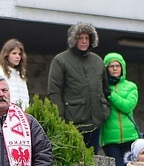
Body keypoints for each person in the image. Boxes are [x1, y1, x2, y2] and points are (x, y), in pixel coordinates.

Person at [47, 22, 110, 152]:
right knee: (74, 160)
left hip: (95, 122)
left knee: (94, 161)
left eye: (87, 38)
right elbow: (54, 92)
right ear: (73, 40)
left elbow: (105, 89)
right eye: (80, 38)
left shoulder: (98, 61)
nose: (84, 41)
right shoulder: (60, 60)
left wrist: (104, 109)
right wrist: (60, 118)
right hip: (72, 122)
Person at [101, 52, 140, 166]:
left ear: (122, 67)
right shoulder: (101, 87)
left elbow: (127, 106)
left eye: (118, 65)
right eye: (111, 66)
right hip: (110, 138)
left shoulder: (131, 86)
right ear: (106, 69)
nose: (115, 68)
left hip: (130, 137)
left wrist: (110, 95)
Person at [0, 38, 30, 111]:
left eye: (19, 54)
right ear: (6, 54)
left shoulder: (20, 74)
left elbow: (25, 99)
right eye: (14, 53)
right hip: (4, 114)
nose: (18, 56)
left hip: (22, 116)